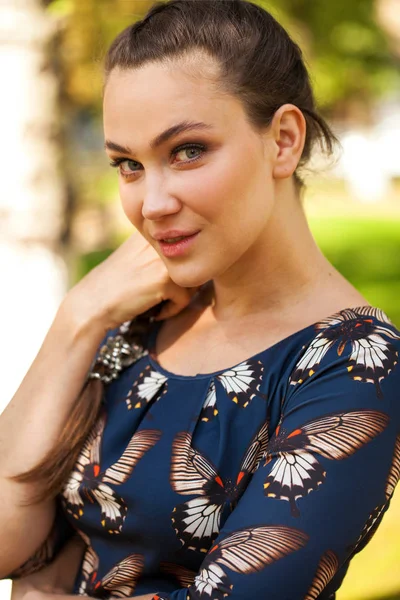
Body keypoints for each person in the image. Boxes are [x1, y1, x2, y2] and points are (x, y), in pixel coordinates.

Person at [1, 1, 399, 599]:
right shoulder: (140, 319)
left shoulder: (352, 363)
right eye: (128, 164)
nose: (151, 203)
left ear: (284, 141)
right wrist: (76, 320)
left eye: (187, 151)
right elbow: (10, 541)